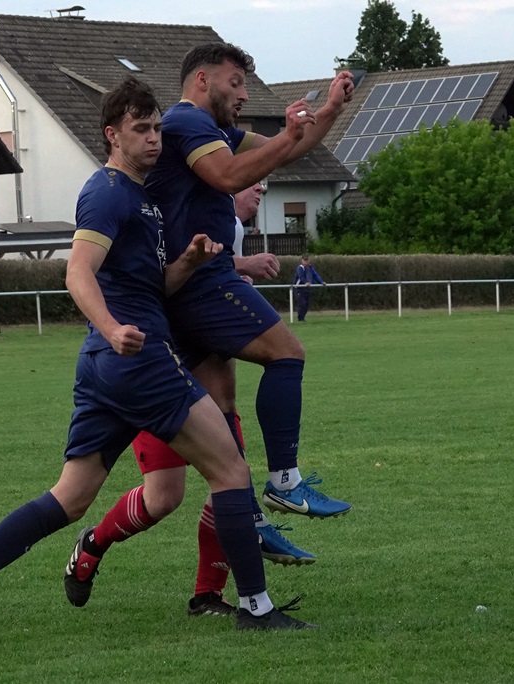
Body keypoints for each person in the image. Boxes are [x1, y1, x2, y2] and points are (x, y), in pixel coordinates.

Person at [0, 77, 313, 646]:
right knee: (230, 470)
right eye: (141, 129)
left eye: (158, 128)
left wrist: (187, 262)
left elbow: (148, 285)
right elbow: (77, 270)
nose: (155, 138)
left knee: (70, 497)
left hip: (104, 367)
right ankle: (256, 608)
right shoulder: (108, 191)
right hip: (138, 359)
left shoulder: (142, 198)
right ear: (112, 134)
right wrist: (111, 327)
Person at [66, 181, 312, 620]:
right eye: (248, 176)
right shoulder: (174, 208)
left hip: (212, 392)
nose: (258, 185)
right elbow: (164, 271)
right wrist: (241, 265)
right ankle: (94, 543)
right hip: (161, 380)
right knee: (164, 497)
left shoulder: (227, 224)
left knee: (230, 481)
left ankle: (208, 595)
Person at [143, 43, 355, 518]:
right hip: (203, 280)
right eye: (235, 82)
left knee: (222, 405)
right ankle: (284, 482)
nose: (243, 94)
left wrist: (329, 110)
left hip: (185, 285)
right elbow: (227, 176)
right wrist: (287, 134)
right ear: (202, 80)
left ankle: (247, 519)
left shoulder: (214, 129)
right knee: (287, 353)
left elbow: (291, 150)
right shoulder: (187, 121)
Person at [292, 255, 326, 322]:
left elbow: (315, 275)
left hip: (306, 289)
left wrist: (321, 282)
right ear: (302, 260)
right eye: (304, 260)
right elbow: (301, 277)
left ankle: (302, 318)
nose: (306, 262)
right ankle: (300, 318)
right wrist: (306, 282)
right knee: (302, 303)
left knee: (306, 304)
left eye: (307, 260)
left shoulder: (310, 268)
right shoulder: (300, 268)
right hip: (299, 288)